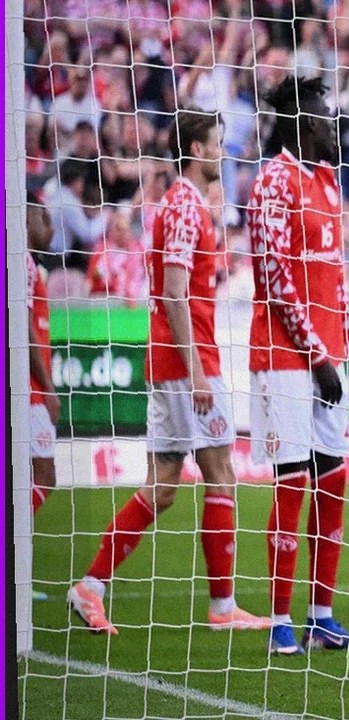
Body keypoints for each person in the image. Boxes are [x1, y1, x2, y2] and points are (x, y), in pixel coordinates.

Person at [67, 109, 272, 636]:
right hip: (186, 363)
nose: (223, 152)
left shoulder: (185, 206)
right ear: (197, 150)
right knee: (221, 472)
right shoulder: (183, 207)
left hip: (171, 360)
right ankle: (223, 608)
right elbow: (174, 294)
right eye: (217, 143)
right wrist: (198, 371)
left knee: (162, 487)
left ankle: (90, 588)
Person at [247, 76, 349, 656]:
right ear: (302, 122)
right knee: (293, 480)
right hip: (283, 357)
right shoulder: (272, 183)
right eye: (325, 116)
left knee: (334, 478)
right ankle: (279, 622)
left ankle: (321, 616)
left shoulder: (325, 180)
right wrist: (319, 357)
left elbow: (335, 279)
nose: (333, 125)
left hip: (326, 358)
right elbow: (277, 280)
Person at [26, 192, 59, 518]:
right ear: (26, 218)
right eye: (44, 218)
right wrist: (48, 388)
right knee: (45, 476)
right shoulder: (23, 262)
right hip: (32, 391)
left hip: (30, 388)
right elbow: (25, 329)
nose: (51, 228)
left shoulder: (28, 264)